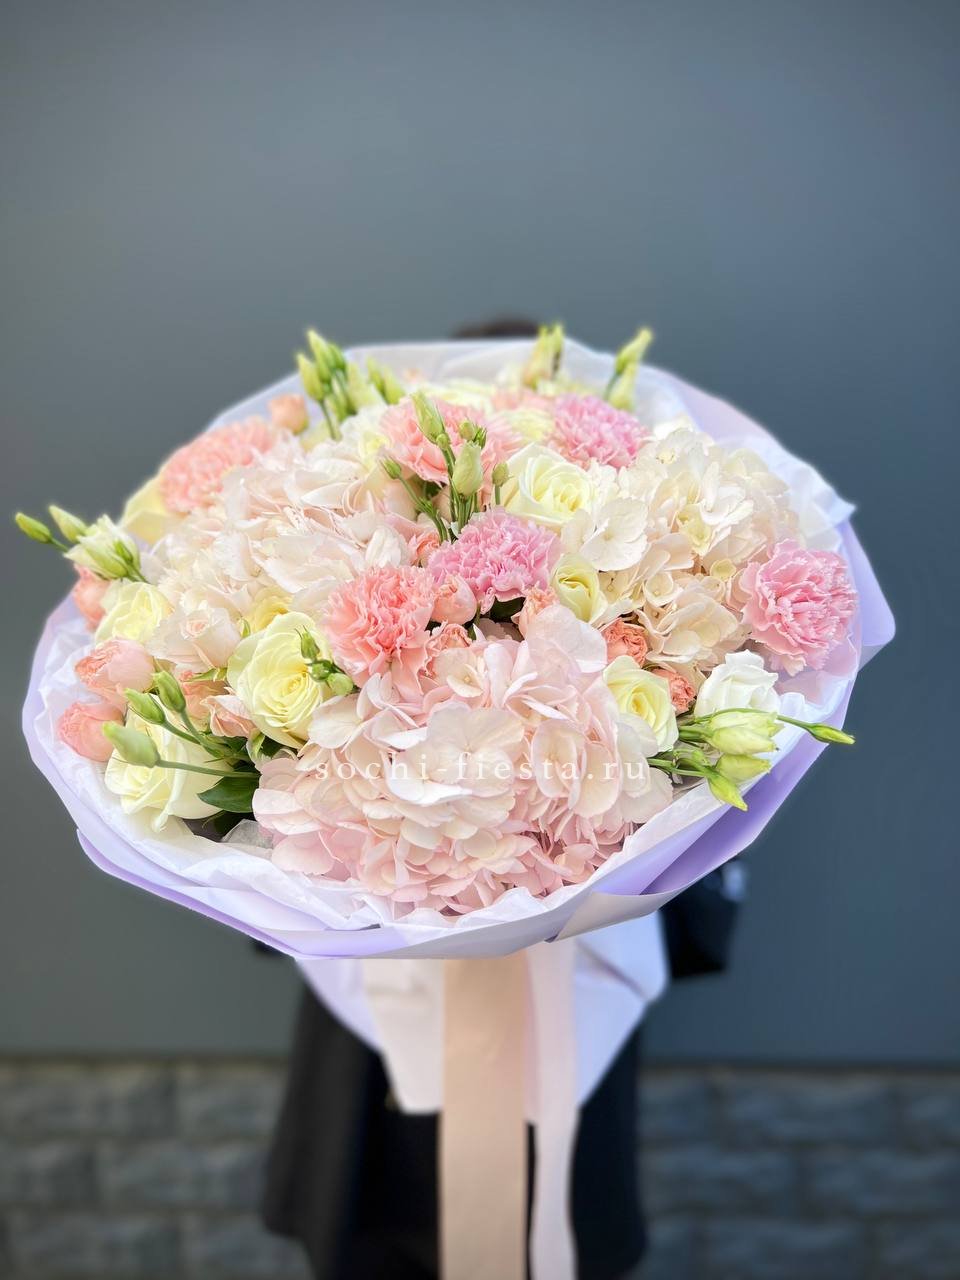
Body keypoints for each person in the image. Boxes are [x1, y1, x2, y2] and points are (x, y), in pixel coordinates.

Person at [259, 319, 745, 1279]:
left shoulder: (641, 593)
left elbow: (701, 880)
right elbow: (258, 881)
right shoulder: (341, 585)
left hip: (559, 1063)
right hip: (363, 1102)